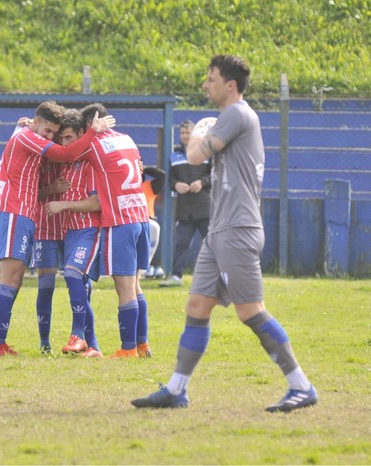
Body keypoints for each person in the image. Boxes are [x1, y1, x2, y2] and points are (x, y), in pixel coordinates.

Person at [132, 55, 318, 412]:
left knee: (251, 311)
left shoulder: (236, 114)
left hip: (238, 228)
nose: (205, 84)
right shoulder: (234, 117)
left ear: (230, 85)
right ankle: (176, 390)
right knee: (197, 306)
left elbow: (194, 155)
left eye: (211, 78)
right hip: (220, 229)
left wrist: (200, 132)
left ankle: (301, 385)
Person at [0, 100, 114, 357]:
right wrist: (93, 131)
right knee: (11, 278)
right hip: (13, 210)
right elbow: (65, 154)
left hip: (25, 213)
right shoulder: (27, 137)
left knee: (17, 278)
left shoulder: (26, 134)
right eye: (48, 132)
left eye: (56, 134)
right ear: (35, 122)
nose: (51, 138)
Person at [46, 103, 151, 358]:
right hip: (141, 215)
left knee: (124, 287)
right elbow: (137, 168)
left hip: (120, 219)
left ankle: (127, 349)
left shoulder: (93, 145)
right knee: (135, 286)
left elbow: (68, 154)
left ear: (89, 125)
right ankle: (142, 344)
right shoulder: (127, 139)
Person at [44, 109, 103, 358]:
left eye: (69, 138)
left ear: (82, 134)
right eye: (61, 140)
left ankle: (78, 335)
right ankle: (94, 348)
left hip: (90, 228)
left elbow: (97, 203)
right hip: (71, 231)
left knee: (71, 274)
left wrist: (62, 205)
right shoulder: (68, 162)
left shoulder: (92, 161)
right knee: (81, 285)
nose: (65, 145)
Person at [159, 119, 213, 287]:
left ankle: (219, 277)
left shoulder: (206, 152)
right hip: (184, 208)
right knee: (181, 243)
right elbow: (170, 179)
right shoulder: (174, 155)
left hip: (205, 206)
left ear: (195, 133)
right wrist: (176, 184)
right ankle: (176, 277)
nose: (184, 136)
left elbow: (215, 175)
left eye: (188, 132)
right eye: (182, 133)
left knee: (211, 243)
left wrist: (202, 182)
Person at [32, 158, 69, 355]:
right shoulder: (38, 158)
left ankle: (84, 339)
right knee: (46, 285)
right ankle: (44, 341)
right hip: (45, 230)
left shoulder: (76, 154)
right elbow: (30, 194)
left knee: (80, 284)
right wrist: (51, 188)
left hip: (74, 229)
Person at [141, 165, 166, 279]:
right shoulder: (123, 187)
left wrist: (143, 167)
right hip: (130, 221)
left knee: (154, 230)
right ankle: (146, 267)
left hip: (148, 219)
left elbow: (161, 175)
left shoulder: (148, 186)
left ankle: (153, 266)